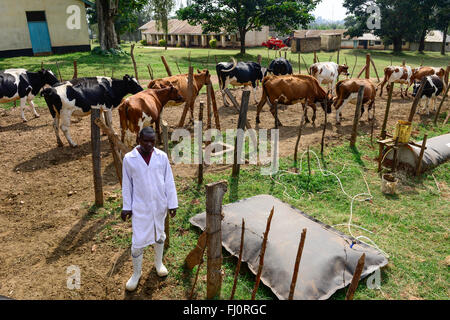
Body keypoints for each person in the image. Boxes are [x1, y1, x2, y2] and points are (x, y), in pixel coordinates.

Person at [121, 126, 178, 291]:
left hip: (160, 205)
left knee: (159, 234)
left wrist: (172, 203)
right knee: (138, 241)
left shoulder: (162, 157)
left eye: (152, 141)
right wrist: (127, 207)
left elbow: (169, 181)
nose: (149, 144)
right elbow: (127, 185)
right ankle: (136, 273)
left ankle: (158, 263)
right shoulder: (129, 159)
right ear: (139, 140)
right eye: (145, 140)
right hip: (140, 207)